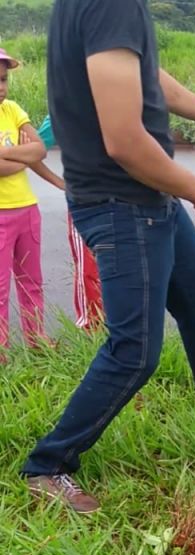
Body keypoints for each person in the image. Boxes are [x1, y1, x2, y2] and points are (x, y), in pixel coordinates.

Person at [22, 0, 195, 514]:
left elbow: (144, 73)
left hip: (144, 198)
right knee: (135, 349)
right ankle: (48, 464)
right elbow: (124, 140)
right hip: (123, 202)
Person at [33, 114, 104, 333]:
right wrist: (59, 183)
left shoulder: (119, 99)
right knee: (89, 268)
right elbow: (31, 150)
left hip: (124, 199)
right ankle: (92, 329)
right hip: (85, 202)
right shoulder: (63, 108)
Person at [0, 48, 48, 352]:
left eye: (3, 80)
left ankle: (37, 343)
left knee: (32, 282)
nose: (1, 86)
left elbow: (40, 149)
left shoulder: (13, 109)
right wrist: (22, 156)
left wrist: (7, 156)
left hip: (27, 209)